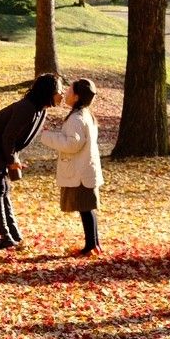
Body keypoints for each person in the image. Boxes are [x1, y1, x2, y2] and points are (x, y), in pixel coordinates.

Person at [0, 73, 63, 249]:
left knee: (4, 188)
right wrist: (11, 160)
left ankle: (12, 233)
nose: (62, 94)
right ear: (48, 91)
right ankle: (3, 237)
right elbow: (8, 137)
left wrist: (14, 159)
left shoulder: (39, 109)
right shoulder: (27, 108)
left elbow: (15, 139)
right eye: (59, 90)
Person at [39, 78, 103, 256]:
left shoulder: (77, 118)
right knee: (87, 208)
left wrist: (47, 136)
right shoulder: (85, 115)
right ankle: (94, 244)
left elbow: (72, 144)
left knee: (85, 208)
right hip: (85, 169)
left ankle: (91, 245)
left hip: (80, 171)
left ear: (76, 96)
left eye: (69, 91)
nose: (65, 93)